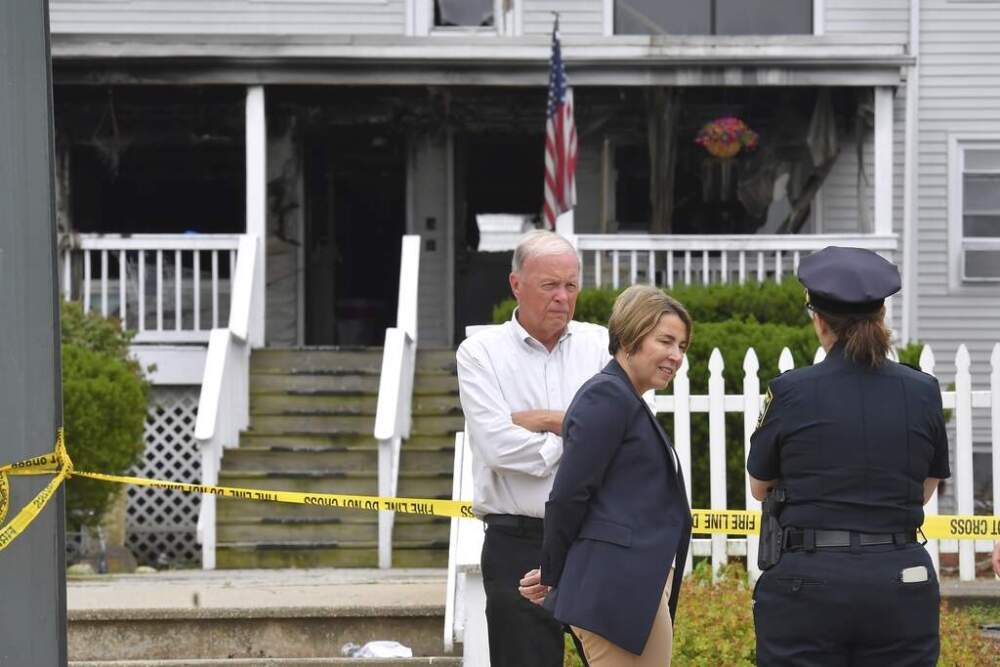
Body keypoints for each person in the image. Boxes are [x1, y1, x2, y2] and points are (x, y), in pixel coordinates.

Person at [748, 246, 950, 666]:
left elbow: (759, 484)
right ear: (881, 317)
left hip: (809, 582)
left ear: (819, 320)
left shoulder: (790, 391)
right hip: (901, 579)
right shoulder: (922, 391)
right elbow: (926, 490)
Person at [456, 229, 611, 666]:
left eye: (571, 285)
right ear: (516, 285)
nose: (562, 297)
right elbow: (497, 447)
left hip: (594, 536)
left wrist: (545, 420)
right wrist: (581, 436)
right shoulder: (480, 353)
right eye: (549, 285)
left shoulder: (601, 346)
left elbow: (626, 432)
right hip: (516, 539)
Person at [520, 285, 694, 666]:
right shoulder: (608, 396)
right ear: (630, 335)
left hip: (632, 589)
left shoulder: (626, 400)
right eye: (665, 341)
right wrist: (552, 572)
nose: (676, 356)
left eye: (682, 346)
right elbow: (569, 493)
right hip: (617, 590)